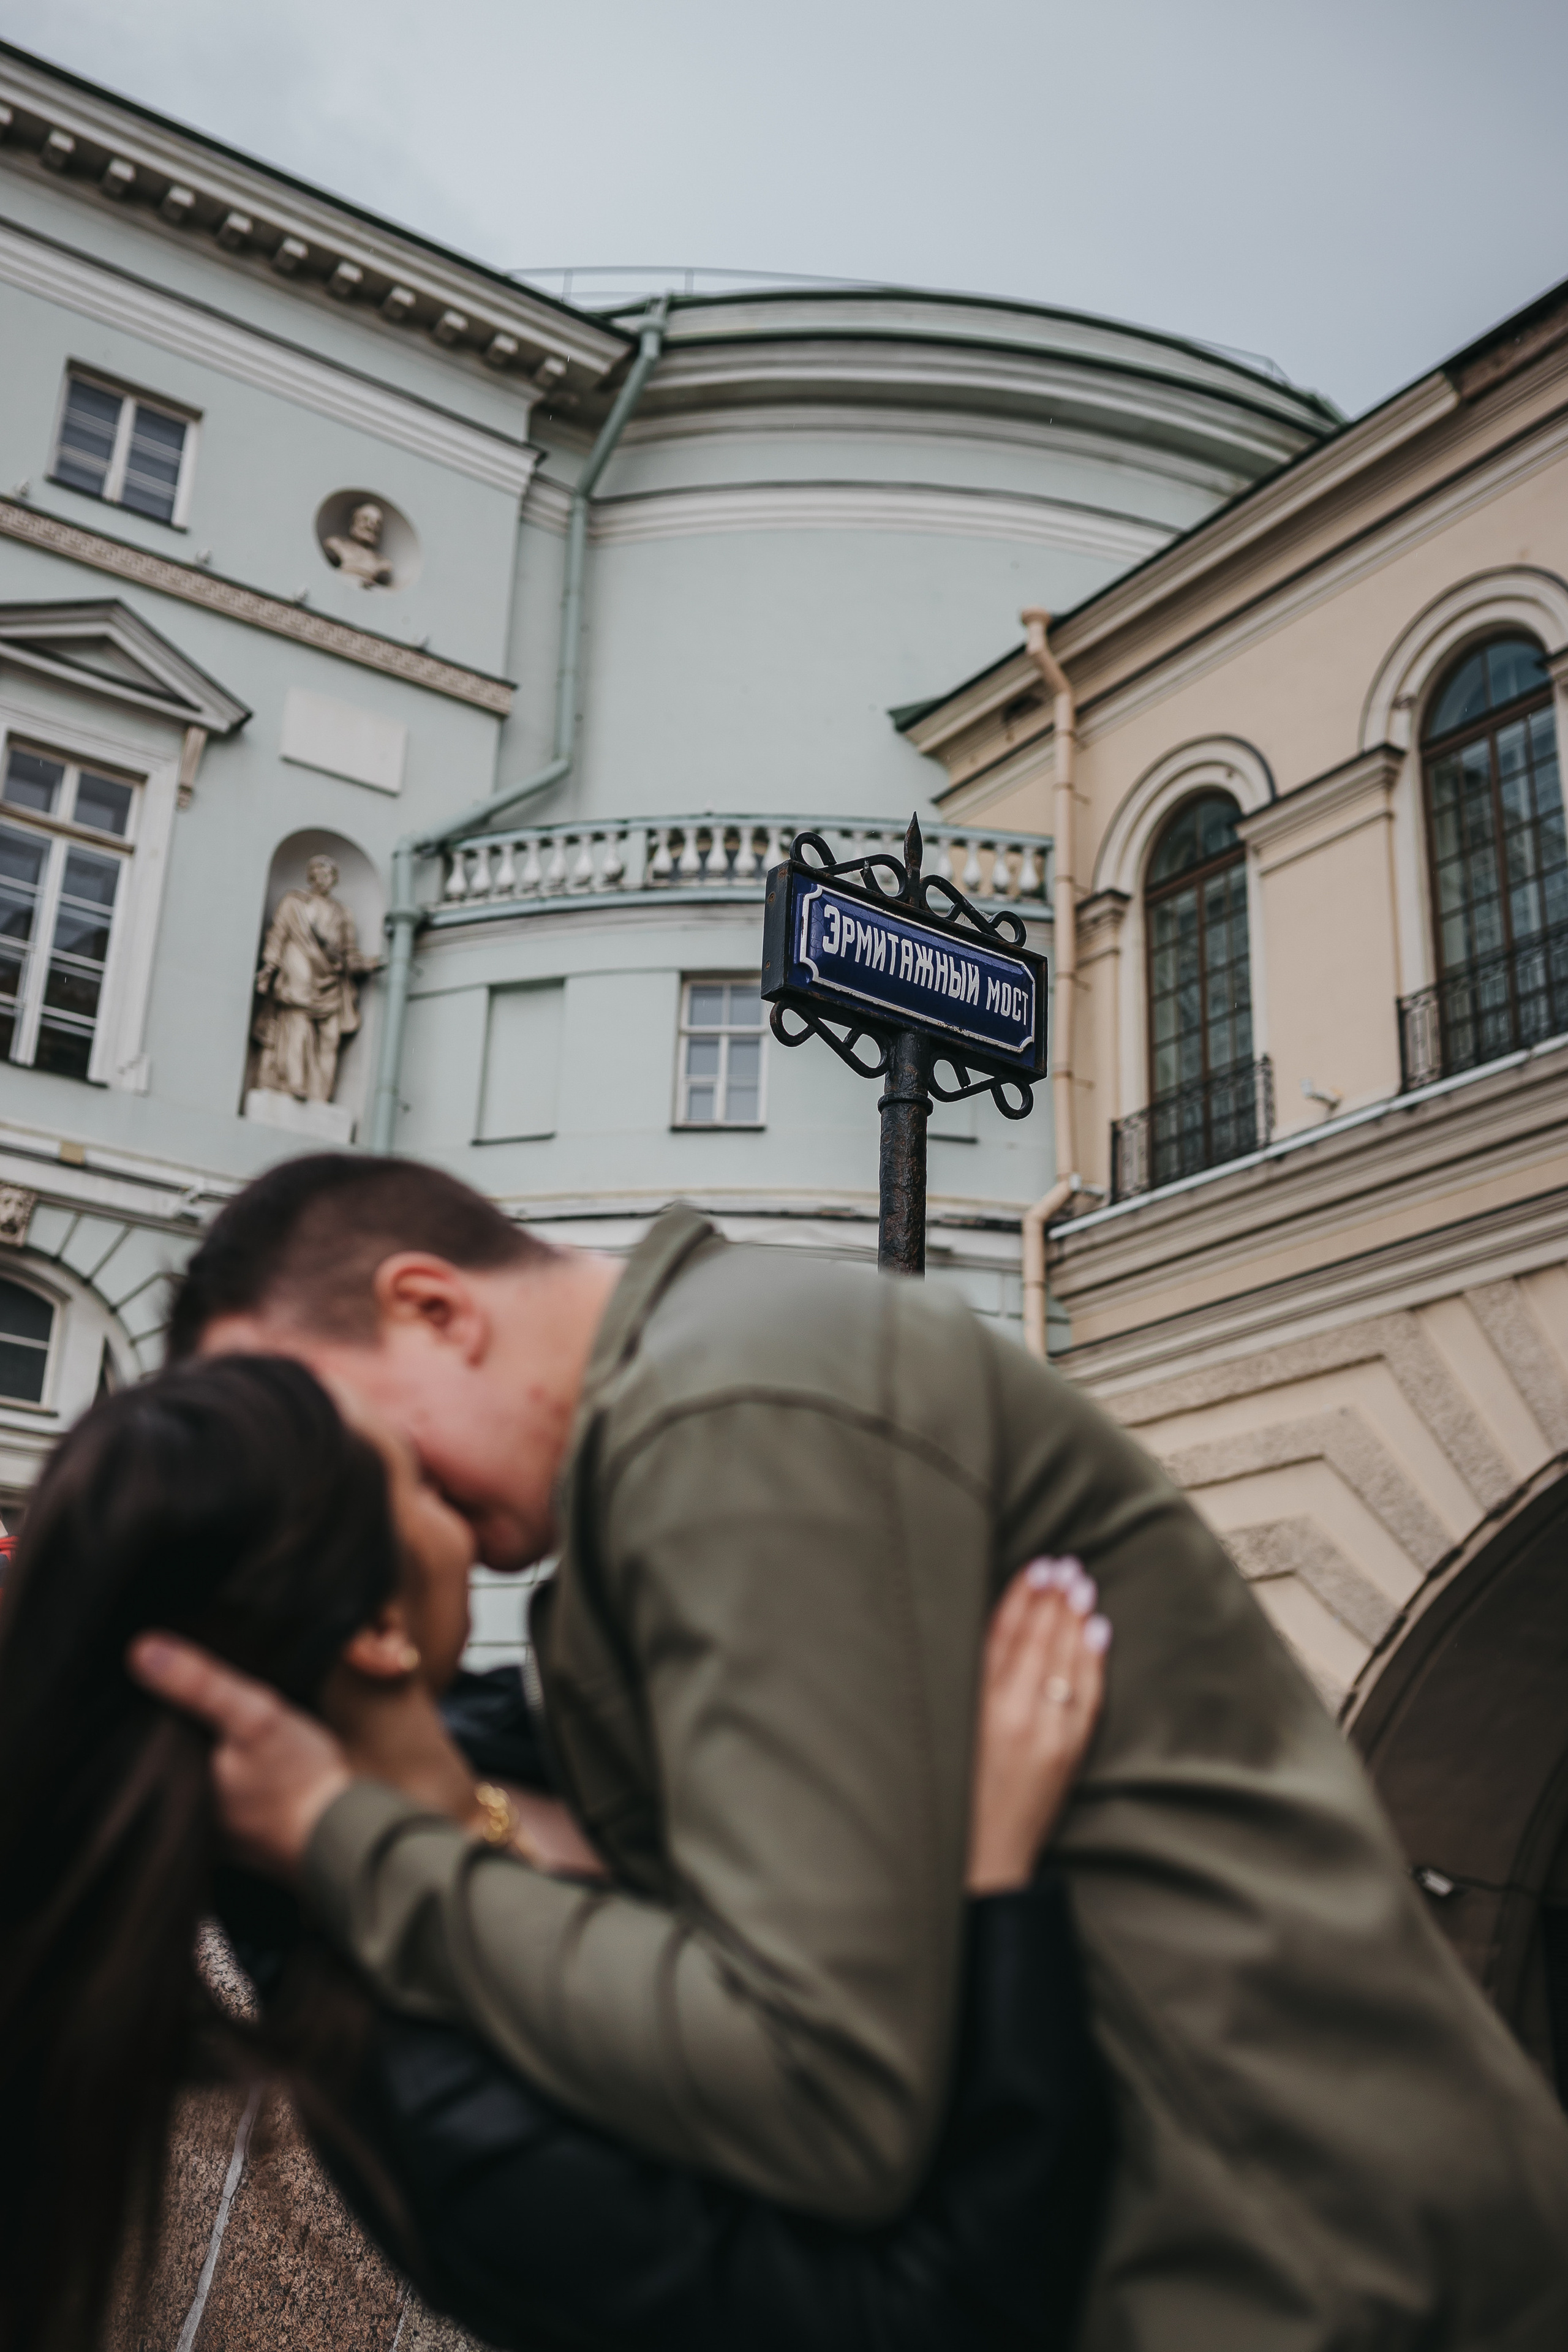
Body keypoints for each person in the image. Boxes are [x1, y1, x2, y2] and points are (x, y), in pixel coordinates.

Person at [145, 1156, 1568, 2350]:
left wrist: (348, 1840)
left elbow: (818, 2083)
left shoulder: (717, 1416)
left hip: (1311, 2281)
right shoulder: (687, 1434)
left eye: (332, 1427)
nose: (343, 1491)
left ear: (431, 1308)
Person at [0, 1354, 1110, 2352]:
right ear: (379, 1630)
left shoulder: (517, 1729)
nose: (464, 1492)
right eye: (422, 1483)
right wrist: (996, 1878)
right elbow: (937, 2319)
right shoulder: (431, 2098)